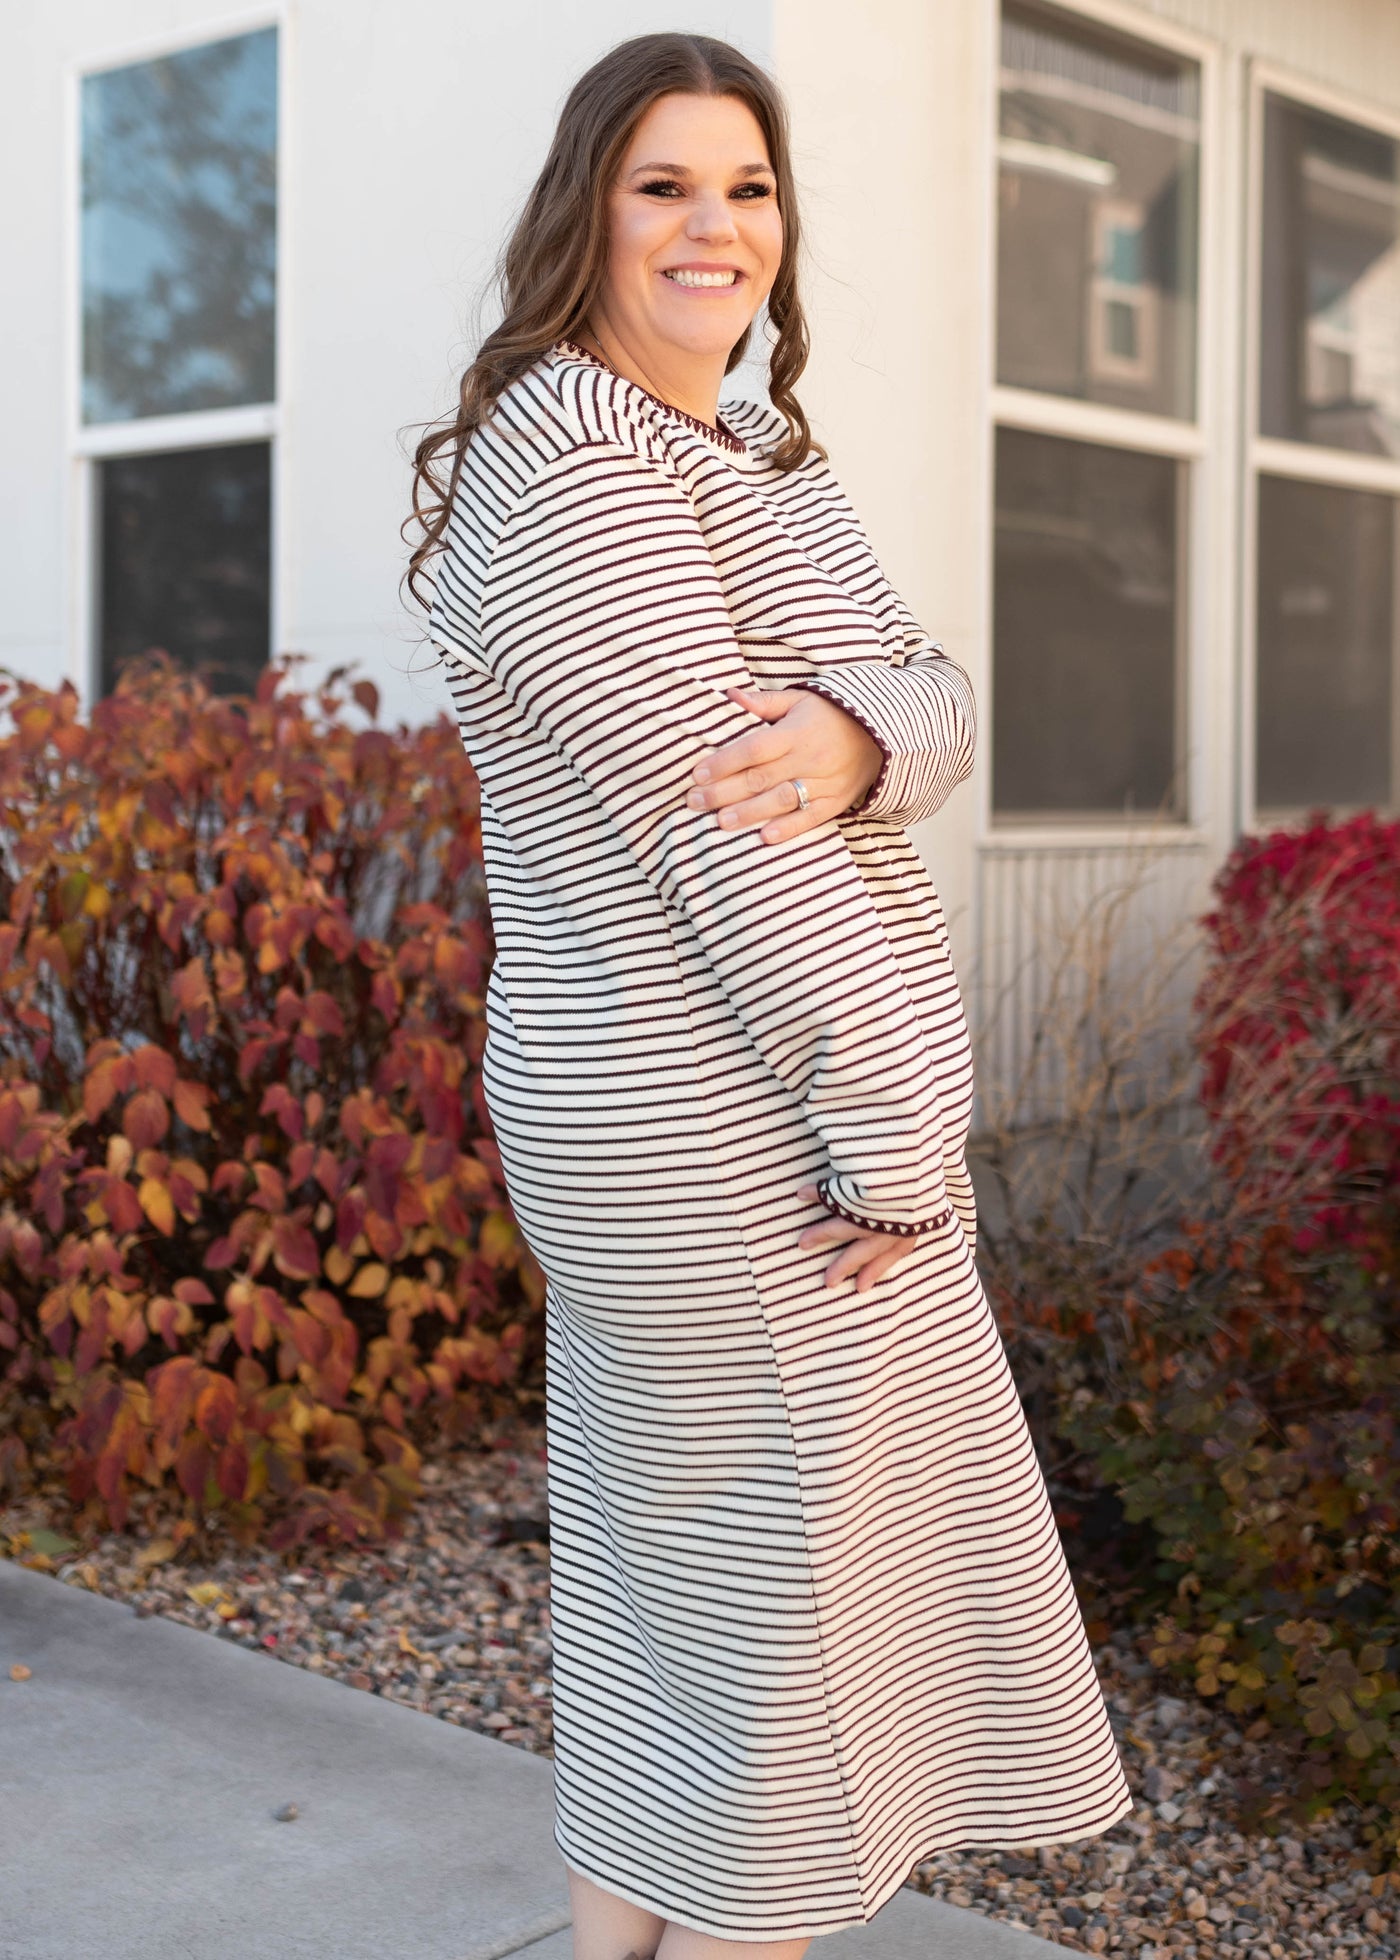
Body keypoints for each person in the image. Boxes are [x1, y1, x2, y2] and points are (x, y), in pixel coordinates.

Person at [406, 30, 1130, 1960]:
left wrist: (855, 727)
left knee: (688, 1605)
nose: (715, 225)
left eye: (747, 183)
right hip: (719, 1124)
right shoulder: (574, 473)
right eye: (664, 185)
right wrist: (899, 1142)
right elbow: (732, 849)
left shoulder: (741, 454)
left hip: (727, 1102)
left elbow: (944, 695)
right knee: (789, 1647)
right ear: (589, 212)